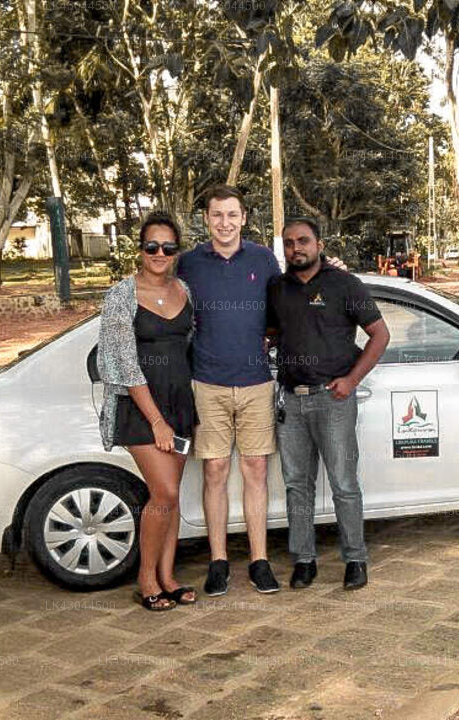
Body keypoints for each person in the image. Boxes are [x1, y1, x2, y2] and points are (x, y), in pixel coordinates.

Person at [267, 217, 390, 591]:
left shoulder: (344, 284)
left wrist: (351, 380)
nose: (296, 249)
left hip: (333, 400)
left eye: (303, 241)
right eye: (289, 243)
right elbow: (272, 334)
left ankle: (355, 559)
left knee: (343, 483)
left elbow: (380, 335)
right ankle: (304, 560)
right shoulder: (278, 288)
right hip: (291, 401)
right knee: (296, 486)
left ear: (319, 244)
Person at [176, 185, 284, 595]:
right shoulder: (188, 264)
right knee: (215, 471)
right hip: (207, 382)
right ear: (206, 219)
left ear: (243, 218)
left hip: (256, 382)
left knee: (255, 470)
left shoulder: (263, 259)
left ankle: (259, 561)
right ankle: (218, 562)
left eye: (232, 215)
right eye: (217, 215)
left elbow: (282, 308)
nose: (225, 223)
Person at [96, 212, 199, 611]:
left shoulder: (184, 289)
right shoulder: (121, 295)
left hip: (180, 403)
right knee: (164, 492)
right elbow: (123, 362)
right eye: (152, 246)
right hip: (141, 408)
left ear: (176, 252)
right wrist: (156, 420)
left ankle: (168, 576)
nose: (160, 253)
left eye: (168, 247)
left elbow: (188, 345)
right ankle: (145, 579)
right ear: (140, 249)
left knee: (171, 500)